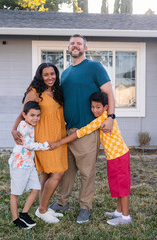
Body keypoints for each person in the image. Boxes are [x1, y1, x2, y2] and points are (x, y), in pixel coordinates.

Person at [49, 34, 116, 224]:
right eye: (72, 43)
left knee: (87, 172)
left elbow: (109, 92)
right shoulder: (66, 72)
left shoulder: (94, 67)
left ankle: (85, 207)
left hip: (87, 130)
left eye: (79, 43)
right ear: (68, 48)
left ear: (85, 48)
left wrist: (110, 117)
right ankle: (62, 202)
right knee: (67, 170)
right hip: (68, 130)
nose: (75, 46)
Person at [50, 92, 132, 225]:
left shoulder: (103, 119)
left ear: (106, 107)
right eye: (92, 107)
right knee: (116, 185)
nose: (94, 110)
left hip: (119, 156)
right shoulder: (103, 117)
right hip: (113, 157)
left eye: (97, 107)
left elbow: (81, 132)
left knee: (122, 187)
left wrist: (60, 142)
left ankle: (126, 217)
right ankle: (118, 212)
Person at [11, 63, 67, 224]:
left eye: (53, 74)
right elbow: (23, 114)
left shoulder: (56, 92)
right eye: (46, 74)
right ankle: (42, 210)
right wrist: (14, 130)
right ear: (40, 76)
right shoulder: (34, 92)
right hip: (44, 140)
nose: (50, 77)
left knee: (48, 174)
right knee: (58, 173)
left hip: (59, 138)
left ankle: (42, 207)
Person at [8, 101, 50, 229]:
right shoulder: (23, 125)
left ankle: (24, 213)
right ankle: (16, 219)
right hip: (19, 164)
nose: (35, 118)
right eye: (32, 115)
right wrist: (44, 146)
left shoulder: (32, 126)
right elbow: (27, 144)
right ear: (24, 115)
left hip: (29, 164)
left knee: (36, 188)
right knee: (15, 193)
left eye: (38, 115)